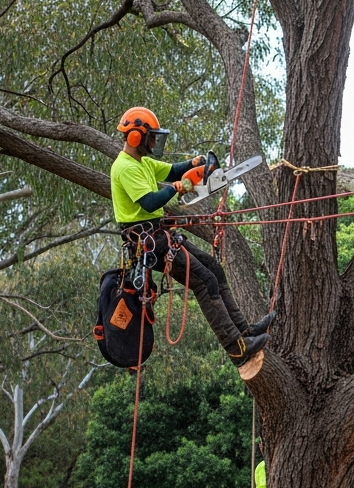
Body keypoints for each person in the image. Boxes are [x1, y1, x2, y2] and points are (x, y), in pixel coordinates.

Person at [110, 106, 273, 366]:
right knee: (204, 281)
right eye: (151, 137)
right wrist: (179, 187)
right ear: (135, 137)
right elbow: (150, 203)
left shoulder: (143, 162)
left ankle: (244, 331)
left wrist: (194, 164)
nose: (154, 143)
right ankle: (236, 348)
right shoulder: (125, 167)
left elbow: (173, 170)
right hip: (148, 242)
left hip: (159, 236)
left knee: (213, 269)